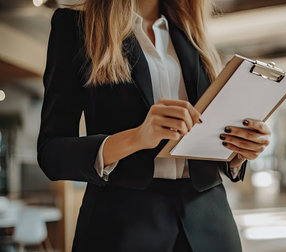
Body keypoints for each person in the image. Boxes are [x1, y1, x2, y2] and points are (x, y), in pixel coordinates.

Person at [37, 0, 271, 251]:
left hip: (210, 221)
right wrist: (136, 138)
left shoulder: (190, 33)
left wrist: (237, 152)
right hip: (121, 226)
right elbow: (52, 153)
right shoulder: (75, 27)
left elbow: (206, 137)